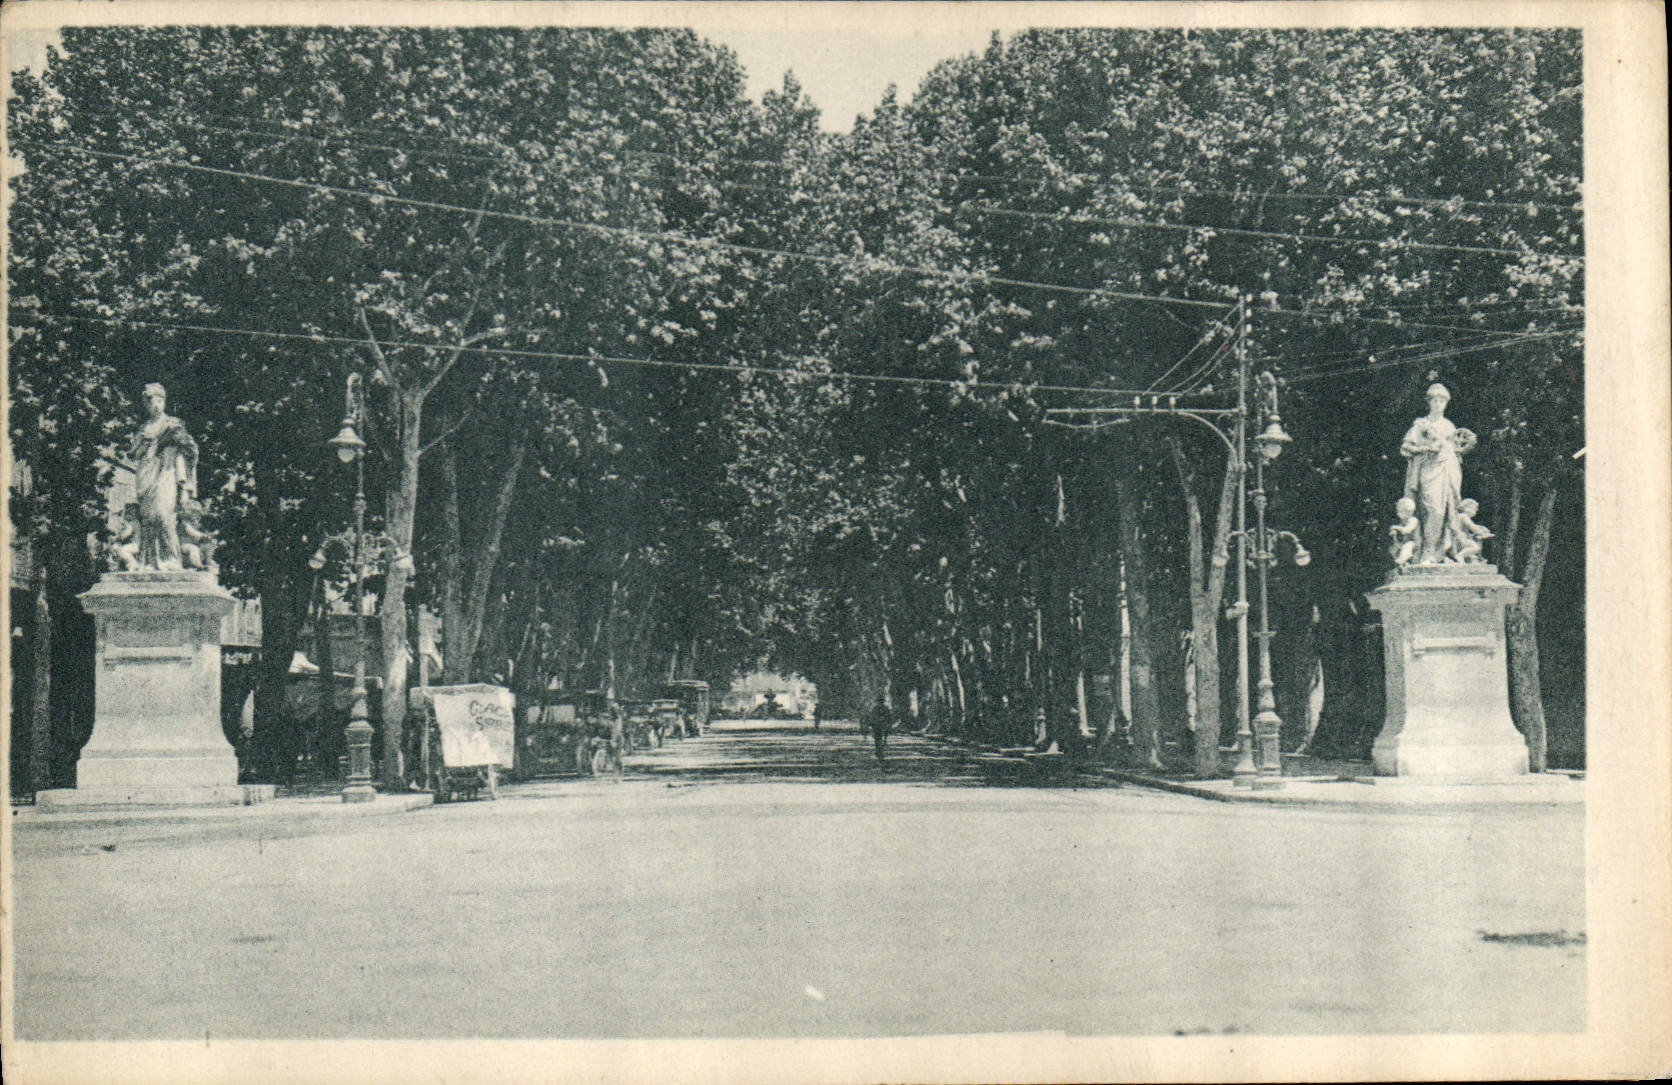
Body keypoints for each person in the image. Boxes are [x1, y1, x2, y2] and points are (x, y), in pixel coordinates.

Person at [124, 382, 199, 570]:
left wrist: (174, 444)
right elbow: (133, 453)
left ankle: (172, 559)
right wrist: (144, 444)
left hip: (166, 473)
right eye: (150, 402)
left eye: (158, 400)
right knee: (148, 518)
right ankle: (149, 561)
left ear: (164, 401)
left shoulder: (172, 424)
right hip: (146, 474)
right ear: (145, 405)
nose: (154, 404)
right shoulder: (143, 428)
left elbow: (190, 448)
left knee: (164, 515)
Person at [1399, 383, 1476, 565]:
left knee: (1448, 510)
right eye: (1434, 400)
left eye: (1442, 400)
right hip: (1428, 471)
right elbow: (1405, 448)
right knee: (1431, 508)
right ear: (1429, 402)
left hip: (1448, 471)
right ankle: (1427, 550)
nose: (1438, 403)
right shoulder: (1421, 425)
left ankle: (1444, 551)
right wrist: (1425, 448)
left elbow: (1456, 448)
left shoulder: (1449, 426)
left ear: (1446, 403)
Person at [863, 697, 891, 761]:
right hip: (877, 725)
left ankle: (880, 751)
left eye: (881, 702)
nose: (880, 703)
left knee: (881, 739)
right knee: (878, 738)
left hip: (882, 725)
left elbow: (889, 717)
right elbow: (872, 717)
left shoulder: (884, 708)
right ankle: (879, 751)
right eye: (879, 702)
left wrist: (888, 724)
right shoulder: (876, 708)